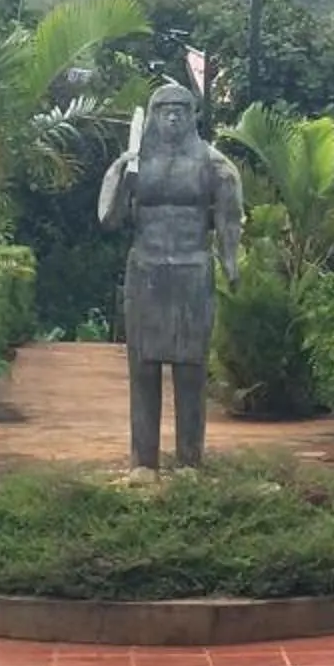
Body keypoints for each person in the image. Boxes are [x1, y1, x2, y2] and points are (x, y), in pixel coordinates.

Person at [97, 81, 243, 466]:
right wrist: (123, 183)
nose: (173, 116)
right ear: (154, 115)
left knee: (190, 370)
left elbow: (229, 218)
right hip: (145, 268)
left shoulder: (215, 165)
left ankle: (190, 460)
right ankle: (143, 461)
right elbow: (108, 220)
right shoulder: (133, 162)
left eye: (181, 108)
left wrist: (230, 263)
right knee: (143, 367)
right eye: (165, 109)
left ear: (192, 115)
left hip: (193, 270)